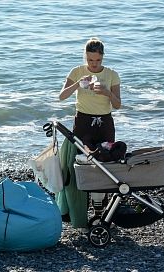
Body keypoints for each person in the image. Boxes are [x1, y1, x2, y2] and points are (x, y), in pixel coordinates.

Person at [57, 37, 121, 227]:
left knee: (105, 164)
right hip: (83, 123)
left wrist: (107, 93)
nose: (94, 65)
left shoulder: (111, 75)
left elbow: (117, 104)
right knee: (82, 166)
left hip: (105, 123)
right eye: (90, 60)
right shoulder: (77, 71)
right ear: (85, 57)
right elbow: (61, 96)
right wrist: (78, 84)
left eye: (98, 61)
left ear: (103, 58)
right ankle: (80, 211)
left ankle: (101, 211)